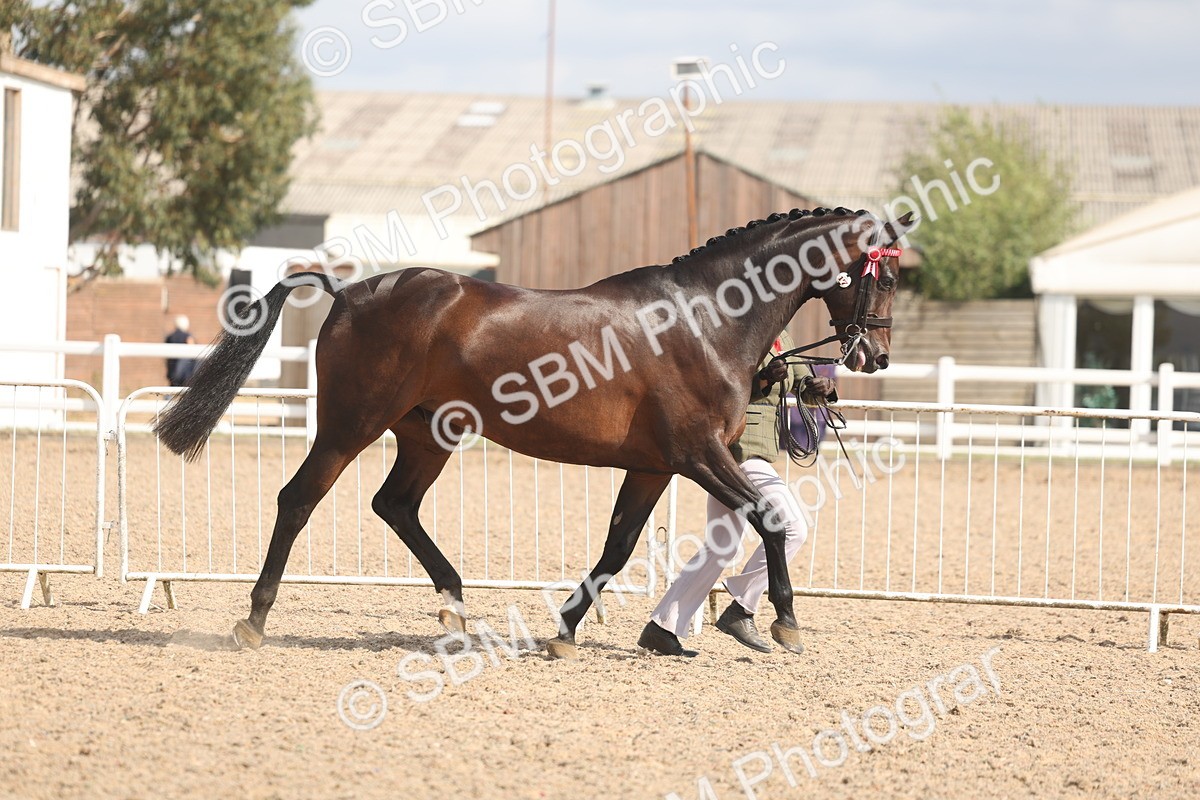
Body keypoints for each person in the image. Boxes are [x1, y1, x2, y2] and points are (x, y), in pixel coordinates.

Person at [637, 329, 837, 657]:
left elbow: (804, 388)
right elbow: (717, 390)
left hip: (749, 454)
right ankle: (741, 608)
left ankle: (662, 627)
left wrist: (823, 390)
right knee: (792, 528)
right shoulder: (734, 331)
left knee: (722, 545)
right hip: (737, 452)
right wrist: (761, 381)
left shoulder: (785, 337)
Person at [165, 315, 197, 387]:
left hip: (172, 370)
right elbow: (192, 351)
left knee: (171, 390)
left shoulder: (170, 337)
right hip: (184, 372)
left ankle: (167, 398)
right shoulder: (188, 336)